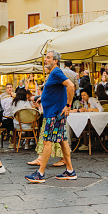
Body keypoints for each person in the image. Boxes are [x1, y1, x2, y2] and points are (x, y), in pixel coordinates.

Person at [25, 50, 76, 183]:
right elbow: (55, 91)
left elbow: (71, 86)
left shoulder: (56, 72)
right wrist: (42, 98)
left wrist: (68, 106)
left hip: (54, 114)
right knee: (62, 140)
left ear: (55, 61)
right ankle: (70, 171)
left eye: (48, 58)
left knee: (47, 141)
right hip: (56, 113)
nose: (45, 60)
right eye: (45, 58)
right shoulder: (54, 74)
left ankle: (40, 174)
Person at [0, 83, 14, 148]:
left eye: (10, 87)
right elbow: (1, 109)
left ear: (12, 88)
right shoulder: (3, 98)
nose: (9, 89)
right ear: (6, 89)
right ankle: (12, 141)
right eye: (8, 88)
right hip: (6, 118)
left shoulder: (15, 96)